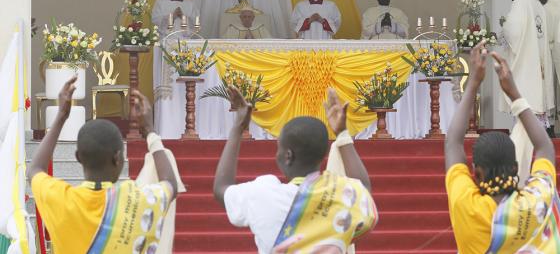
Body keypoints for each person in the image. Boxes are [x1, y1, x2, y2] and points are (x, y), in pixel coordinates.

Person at [213, 87, 377, 253]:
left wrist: (237, 128)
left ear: (288, 156)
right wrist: (342, 133)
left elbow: (221, 189)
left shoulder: (263, 193)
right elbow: (364, 189)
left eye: (279, 148)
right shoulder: (341, 196)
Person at [28, 78, 178, 254]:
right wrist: (150, 132)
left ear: (78, 157)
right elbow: (170, 185)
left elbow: (35, 170)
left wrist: (61, 116)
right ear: (117, 159)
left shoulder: (63, 200)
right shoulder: (138, 201)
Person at [445, 40, 559, 253]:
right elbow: (544, 147)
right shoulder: (537, 201)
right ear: (516, 169)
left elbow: (453, 143)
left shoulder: (467, 206)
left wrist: (473, 83)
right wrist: (513, 93)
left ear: (477, 174)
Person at [501, 0, 555, 180]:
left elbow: (513, 32)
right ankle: (540, 139)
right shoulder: (539, 5)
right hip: (540, 62)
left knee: (525, 106)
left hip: (526, 65)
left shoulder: (520, 4)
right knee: (536, 105)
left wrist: (504, 26)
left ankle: (526, 148)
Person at [537, 0, 560, 137]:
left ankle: (550, 128)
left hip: (553, 54)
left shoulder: (545, 9)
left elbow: (544, 36)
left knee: (551, 91)